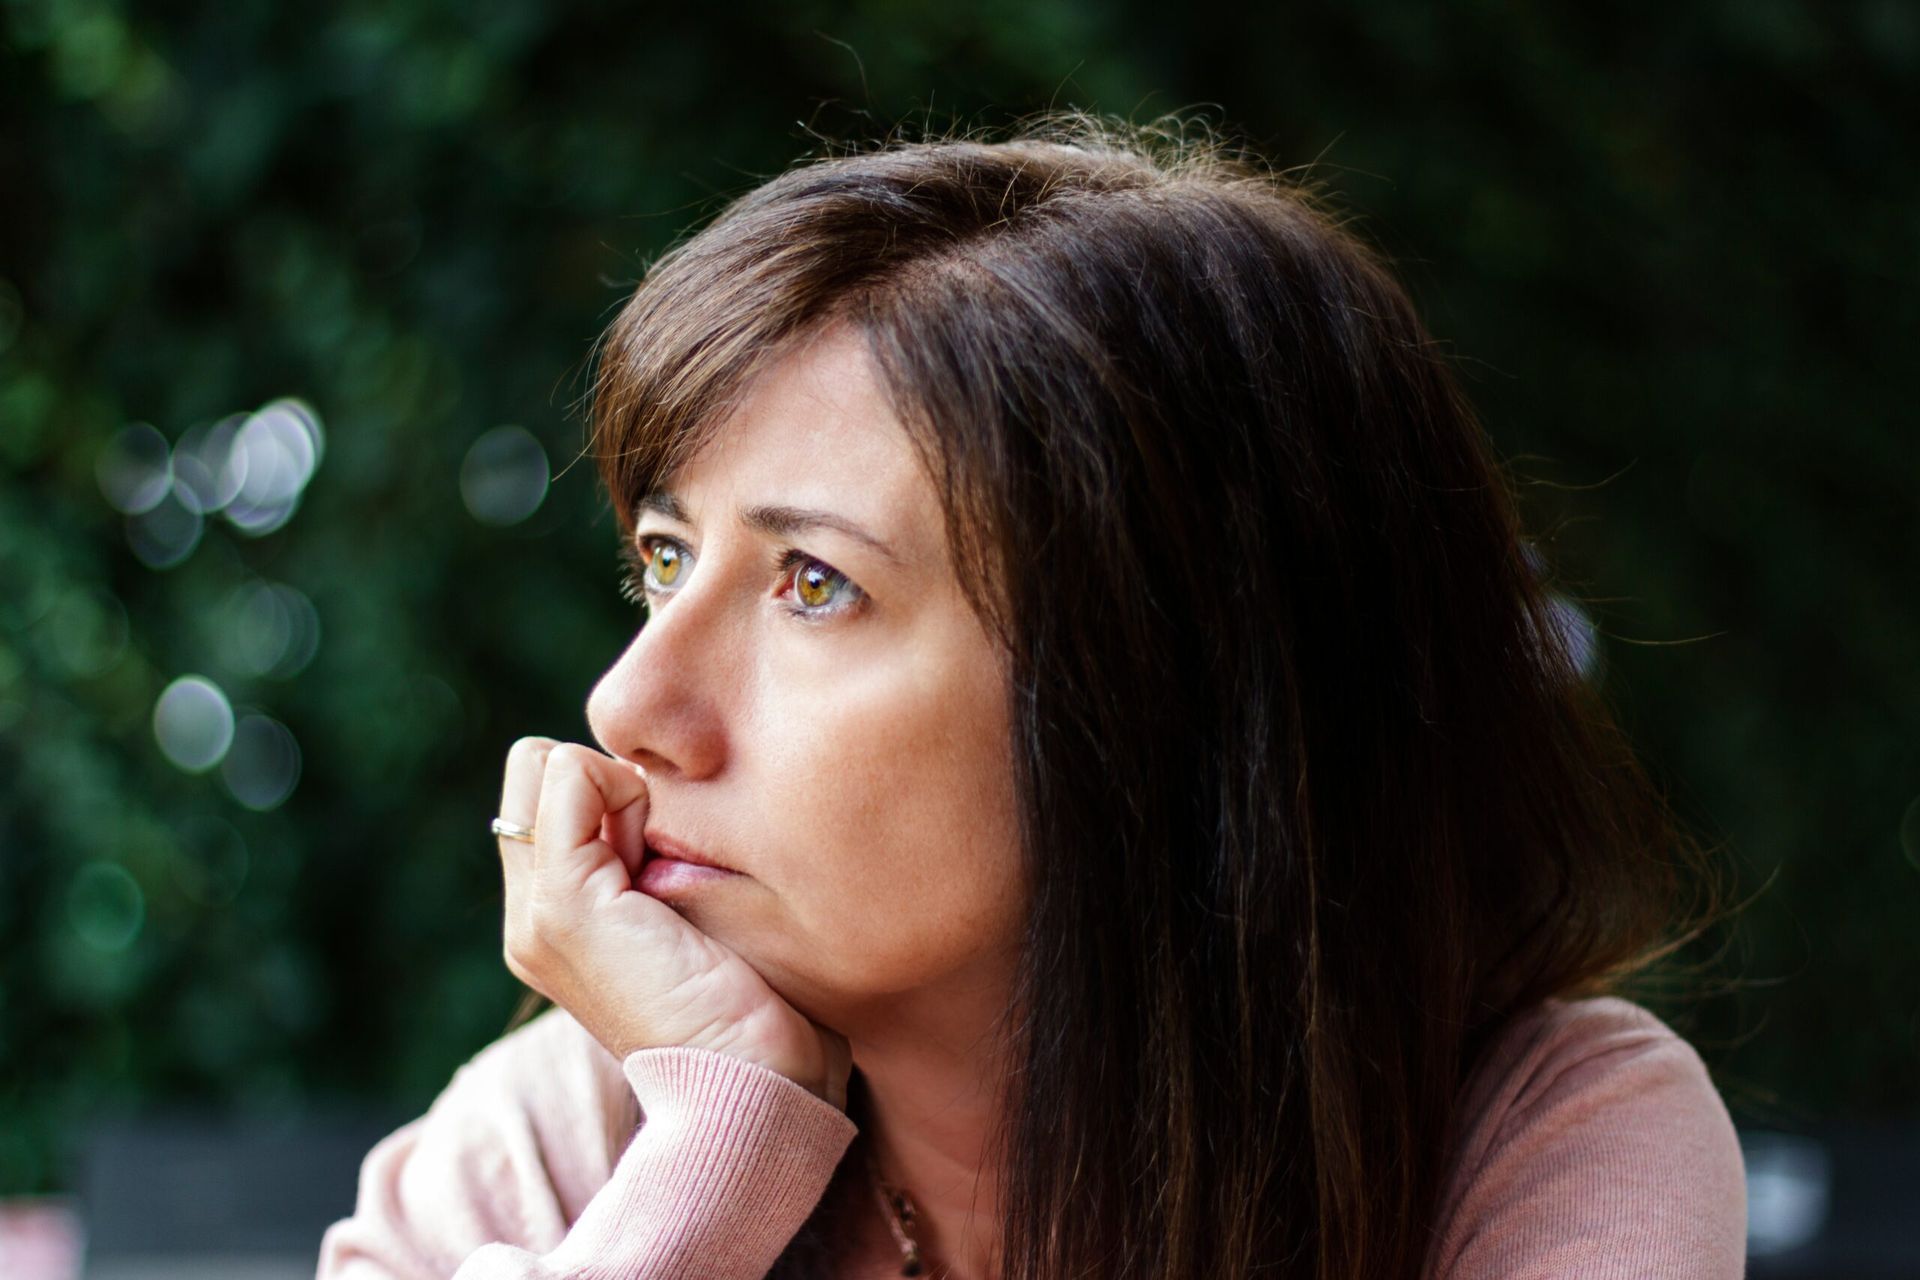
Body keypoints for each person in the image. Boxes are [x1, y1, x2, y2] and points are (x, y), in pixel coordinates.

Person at [315, 110, 1748, 1280]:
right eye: (664, 558)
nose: (628, 704)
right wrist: (715, 1156)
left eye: (814, 582)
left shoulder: (1540, 1140)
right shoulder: (581, 1135)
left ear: (1163, 678)